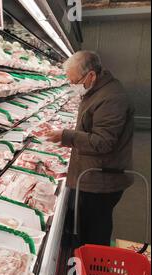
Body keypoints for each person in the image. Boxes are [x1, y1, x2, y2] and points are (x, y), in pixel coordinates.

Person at [46, 51, 135, 246]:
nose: (73, 86)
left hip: (102, 180)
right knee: (87, 226)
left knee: (94, 232)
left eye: (75, 82)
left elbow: (103, 142)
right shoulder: (98, 90)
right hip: (94, 174)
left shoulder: (111, 98)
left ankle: (91, 270)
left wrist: (66, 136)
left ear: (91, 75)